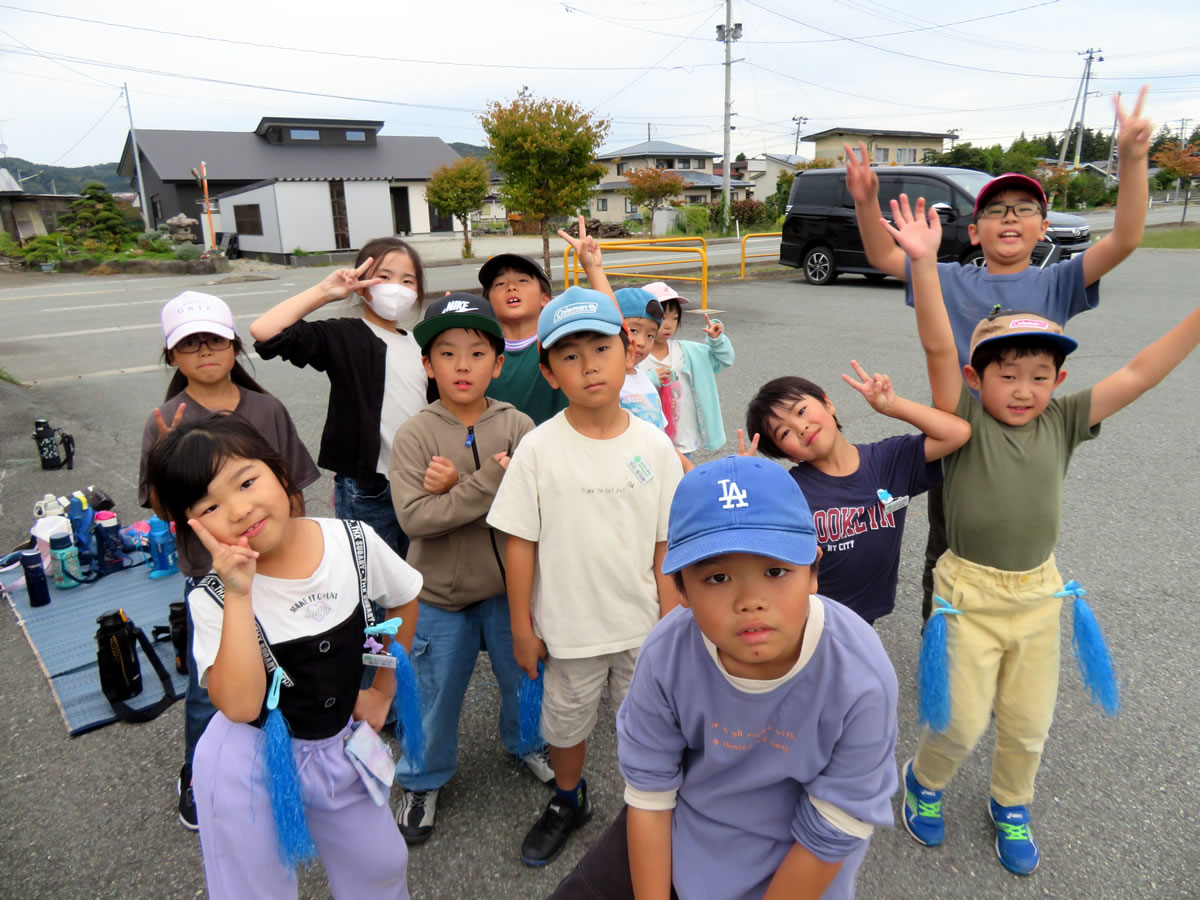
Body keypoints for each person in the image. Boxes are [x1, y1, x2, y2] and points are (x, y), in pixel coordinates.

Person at [890, 193, 1200, 876]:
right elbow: (938, 343)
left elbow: (1140, 374)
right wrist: (923, 264)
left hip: (1038, 595)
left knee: (1029, 723)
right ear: (976, 378)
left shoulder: (1062, 421)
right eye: (1006, 374)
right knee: (961, 721)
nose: (1024, 389)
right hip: (967, 596)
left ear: (1058, 379)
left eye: (1039, 376)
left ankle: (1012, 803)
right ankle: (924, 780)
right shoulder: (962, 421)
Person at [844, 89, 1152, 623]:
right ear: (974, 230)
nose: (1010, 217)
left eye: (1025, 209)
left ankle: (1013, 632)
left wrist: (1132, 159)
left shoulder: (1059, 281)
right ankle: (943, 638)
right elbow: (882, 255)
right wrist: (866, 201)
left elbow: (1125, 238)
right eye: (995, 211)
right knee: (947, 543)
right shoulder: (947, 276)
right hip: (959, 431)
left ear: (1043, 227)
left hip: (1030, 435)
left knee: (1017, 537)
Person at [549, 455, 899, 900]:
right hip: (681, 829)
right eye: (717, 577)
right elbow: (651, 794)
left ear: (813, 569)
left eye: (776, 571)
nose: (750, 601)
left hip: (798, 866)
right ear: (680, 589)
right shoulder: (666, 655)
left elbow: (835, 825)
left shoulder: (861, 675)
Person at [146, 413, 422, 898]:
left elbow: (401, 601)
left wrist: (382, 689)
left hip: (338, 744)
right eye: (211, 506)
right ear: (192, 528)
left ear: (279, 470)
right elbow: (241, 706)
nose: (239, 510)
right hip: (248, 764)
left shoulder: (351, 541)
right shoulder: (212, 598)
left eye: (246, 482)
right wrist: (239, 594)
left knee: (381, 864)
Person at [487, 221, 685, 867]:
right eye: (568, 357)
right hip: (568, 629)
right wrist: (521, 627)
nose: (588, 365)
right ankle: (568, 799)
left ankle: (647, 807)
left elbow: (665, 544)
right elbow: (520, 543)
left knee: (646, 725)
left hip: (642, 627)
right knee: (565, 726)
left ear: (628, 352)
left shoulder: (655, 446)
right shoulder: (538, 449)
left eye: (600, 348)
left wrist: (671, 619)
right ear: (549, 372)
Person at [137, 290, 319, 832]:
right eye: (189, 344)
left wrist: (301, 549)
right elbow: (163, 508)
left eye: (214, 341)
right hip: (211, 576)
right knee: (208, 685)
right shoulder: (164, 419)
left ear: (235, 346)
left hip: (278, 568)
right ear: (172, 355)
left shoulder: (266, 409)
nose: (204, 352)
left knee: (287, 666)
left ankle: (296, 761)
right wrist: (168, 461)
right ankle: (199, 775)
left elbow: (294, 490)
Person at [387, 294, 551, 846]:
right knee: (432, 694)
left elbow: (538, 506)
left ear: (498, 364)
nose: (463, 365)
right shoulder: (415, 434)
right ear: (427, 365)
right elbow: (416, 520)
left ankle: (529, 744)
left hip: (511, 589)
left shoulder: (518, 424)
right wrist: (487, 482)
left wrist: (456, 487)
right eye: (447, 353)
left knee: (525, 677)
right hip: (438, 594)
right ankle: (420, 780)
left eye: (477, 353)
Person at [742, 363, 970, 625]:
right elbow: (748, 543)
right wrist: (741, 485)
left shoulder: (889, 460)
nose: (800, 427)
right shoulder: (789, 491)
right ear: (788, 455)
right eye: (784, 433)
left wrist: (892, 405)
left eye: (801, 411)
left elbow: (958, 433)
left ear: (828, 403)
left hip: (864, 614)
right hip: (808, 616)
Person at [250, 238, 428, 558]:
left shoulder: (420, 344)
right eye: (384, 277)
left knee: (415, 576)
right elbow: (265, 330)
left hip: (420, 486)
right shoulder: (345, 335)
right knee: (371, 577)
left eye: (408, 280)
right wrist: (325, 291)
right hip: (369, 490)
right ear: (360, 283)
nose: (396, 288)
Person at [640, 281, 735, 456]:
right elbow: (623, 388)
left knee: (684, 472)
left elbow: (725, 359)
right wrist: (650, 380)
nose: (669, 325)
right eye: (663, 317)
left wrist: (717, 340)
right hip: (648, 444)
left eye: (675, 318)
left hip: (683, 440)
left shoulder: (687, 351)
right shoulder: (635, 356)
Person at [479, 254, 567, 424]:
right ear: (488, 303)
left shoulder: (559, 344)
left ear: (545, 298)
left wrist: (593, 270)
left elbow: (612, 335)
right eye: (500, 284)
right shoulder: (478, 353)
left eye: (522, 280)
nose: (511, 287)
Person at [614, 286, 668, 430]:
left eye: (650, 335)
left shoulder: (642, 377)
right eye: (633, 330)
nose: (642, 343)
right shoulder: (608, 383)